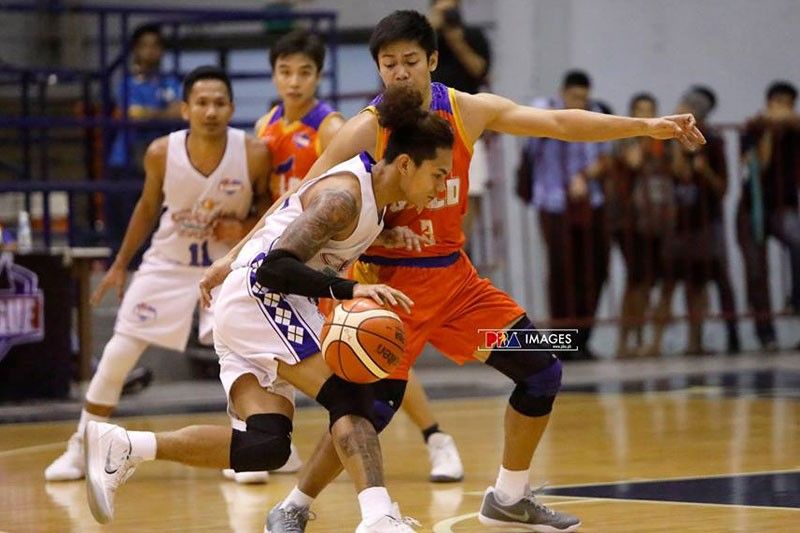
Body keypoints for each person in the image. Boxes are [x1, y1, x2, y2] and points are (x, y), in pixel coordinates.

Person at [202, 10, 705, 533]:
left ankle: (510, 496)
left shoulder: (466, 111)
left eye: (410, 62)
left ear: (433, 61)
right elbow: (296, 198)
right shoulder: (365, 129)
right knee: (367, 411)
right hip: (385, 290)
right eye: (388, 64)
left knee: (541, 369)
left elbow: (557, 124)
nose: (399, 73)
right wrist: (231, 258)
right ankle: (294, 506)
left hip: (457, 286)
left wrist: (646, 127)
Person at [82, 84, 455, 533]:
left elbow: (290, 232)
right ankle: (379, 518)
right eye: (437, 175)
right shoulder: (344, 197)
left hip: (249, 303)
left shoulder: (375, 202)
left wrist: (385, 238)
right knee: (352, 396)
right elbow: (275, 268)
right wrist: (348, 291)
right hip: (261, 297)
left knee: (266, 445)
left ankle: (125, 445)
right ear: (405, 164)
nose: (441, 187)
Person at [256, 28, 464, 483]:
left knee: (377, 349)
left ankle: (434, 436)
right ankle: (269, 444)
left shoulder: (337, 127)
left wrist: (383, 235)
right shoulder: (267, 125)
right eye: (284, 71)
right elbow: (288, 203)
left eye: (304, 72)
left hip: (338, 257)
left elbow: (361, 195)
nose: (294, 81)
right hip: (302, 255)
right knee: (363, 354)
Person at [44, 66, 271, 482]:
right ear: (185, 108)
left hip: (226, 268)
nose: (211, 110)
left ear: (232, 108)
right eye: (202, 102)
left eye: (220, 102)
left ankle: (244, 449)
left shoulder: (254, 152)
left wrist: (243, 228)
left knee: (241, 359)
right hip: (167, 263)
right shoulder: (161, 152)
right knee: (117, 354)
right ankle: (80, 448)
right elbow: (147, 207)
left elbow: (269, 210)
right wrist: (119, 264)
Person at [520, 70, 613, 360]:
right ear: (562, 93)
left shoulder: (598, 114)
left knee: (593, 270)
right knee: (561, 271)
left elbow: (607, 156)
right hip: (553, 202)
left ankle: (583, 340)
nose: (579, 103)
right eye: (574, 97)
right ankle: (563, 343)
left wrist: (585, 175)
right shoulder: (543, 110)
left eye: (584, 98)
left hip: (590, 202)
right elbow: (527, 138)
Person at [105, 24, 182, 259]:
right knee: (127, 221)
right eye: (144, 46)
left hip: (163, 161)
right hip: (126, 161)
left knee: (161, 223)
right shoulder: (125, 83)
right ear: (135, 50)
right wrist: (161, 113)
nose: (150, 51)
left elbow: (180, 111)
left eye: (155, 46)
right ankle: (123, 268)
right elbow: (131, 114)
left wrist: (147, 114)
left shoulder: (170, 82)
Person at [737, 80, 800, 350]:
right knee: (755, 270)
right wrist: (769, 133)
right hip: (754, 208)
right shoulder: (753, 128)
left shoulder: (795, 130)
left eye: (787, 106)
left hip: (784, 205)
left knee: (798, 243)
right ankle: (766, 334)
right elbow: (755, 165)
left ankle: (796, 301)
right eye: (778, 104)